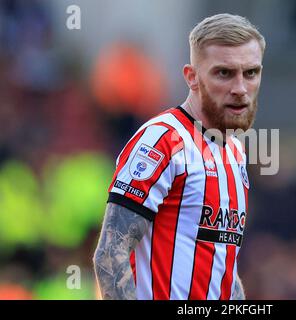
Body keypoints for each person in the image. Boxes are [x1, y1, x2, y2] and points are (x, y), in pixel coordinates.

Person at [93, 13, 265, 300]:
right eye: (224, 73)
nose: (240, 88)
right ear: (192, 77)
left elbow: (222, 268)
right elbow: (110, 254)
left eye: (251, 73)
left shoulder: (235, 151)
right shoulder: (162, 140)